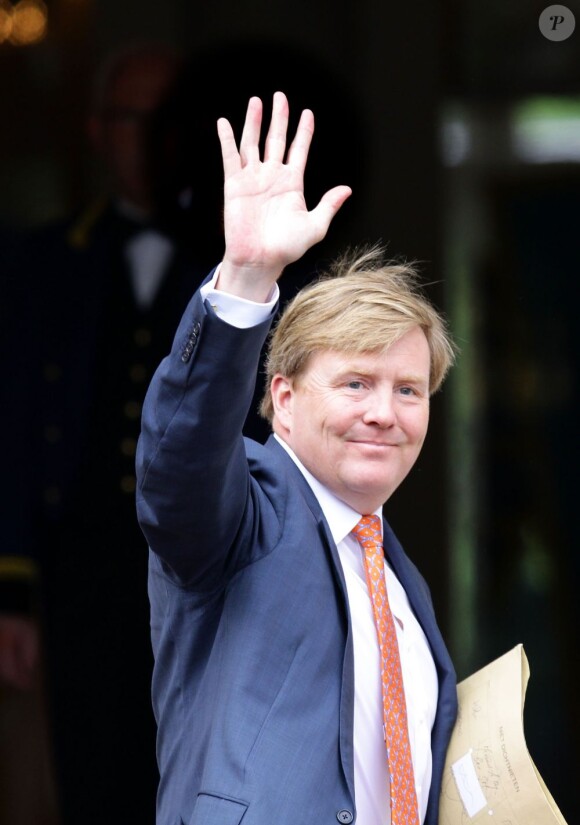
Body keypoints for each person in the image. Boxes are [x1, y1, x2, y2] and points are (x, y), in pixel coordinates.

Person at [136, 91, 458, 825]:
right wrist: (245, 279)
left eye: (409, 388)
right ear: (282, 400)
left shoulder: (400, 584)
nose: (385, 410)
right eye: (355, 383)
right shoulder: (246, 516)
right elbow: (176, 471)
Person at [0, 41, 217, 824]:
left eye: (171, 120)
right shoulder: (45, 261)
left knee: (195, 774)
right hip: (81, 567)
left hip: (198, 572)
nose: (153, 137)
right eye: (134, 117)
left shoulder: (245, 262)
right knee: (87, 776)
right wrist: (13, 590)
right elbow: (16, 424)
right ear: (97, 129)